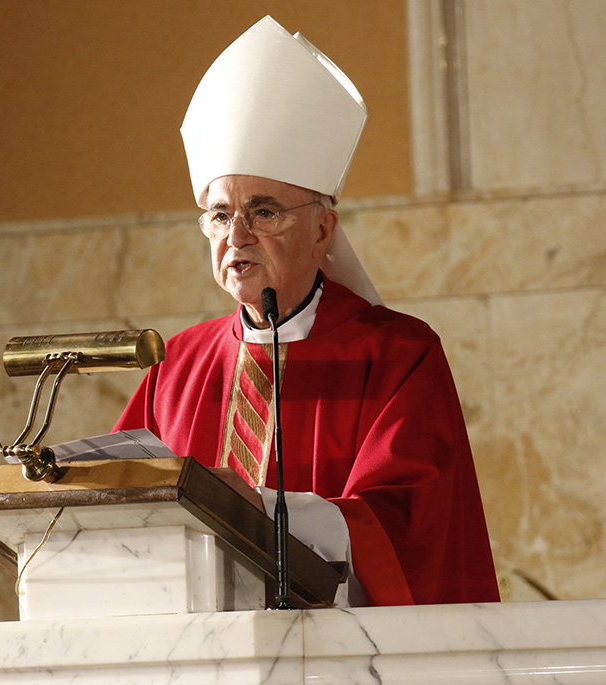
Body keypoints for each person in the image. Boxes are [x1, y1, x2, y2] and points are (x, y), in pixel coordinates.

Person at [114, 16, 499, 606]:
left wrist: (254, 511)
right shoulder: (177, 363)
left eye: (264, 212)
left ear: (323, 228)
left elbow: (408, 528)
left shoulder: (397, 354)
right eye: (220, 216)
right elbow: (119, 509)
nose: (236, 235)